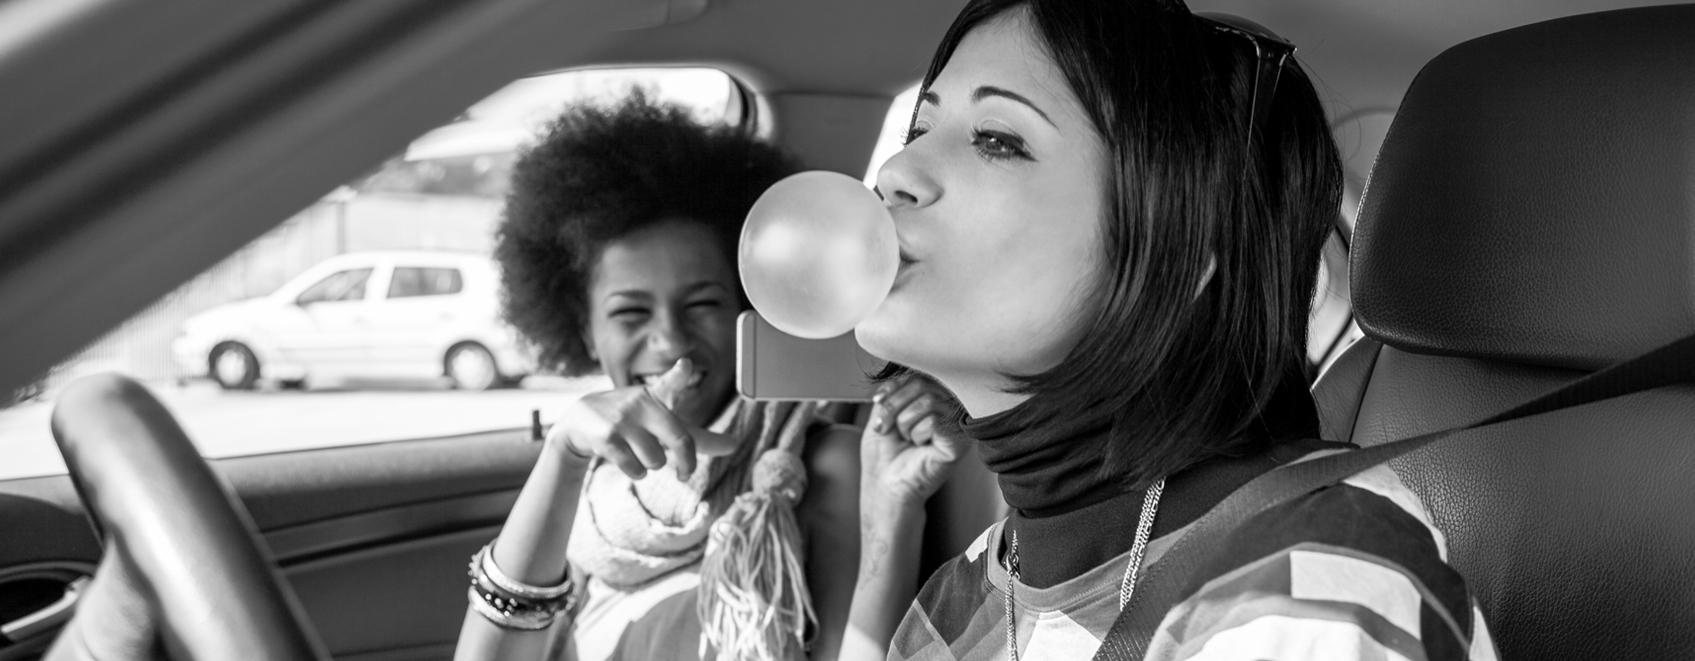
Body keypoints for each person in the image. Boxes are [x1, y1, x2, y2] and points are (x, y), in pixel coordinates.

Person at [841, 2, 1500, 660]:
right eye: (917, 130)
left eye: (997, 139)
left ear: (1173, 250)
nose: (895, 174)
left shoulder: (1309, 584)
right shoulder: (964, 592)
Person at [452, 93, 951, 661]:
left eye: (702, 304)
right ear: (583, 329)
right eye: (630, 313)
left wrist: (893, 511)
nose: (669, 340)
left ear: (750, 307)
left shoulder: (819, 466)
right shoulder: (588, 489)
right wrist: (563, 455)